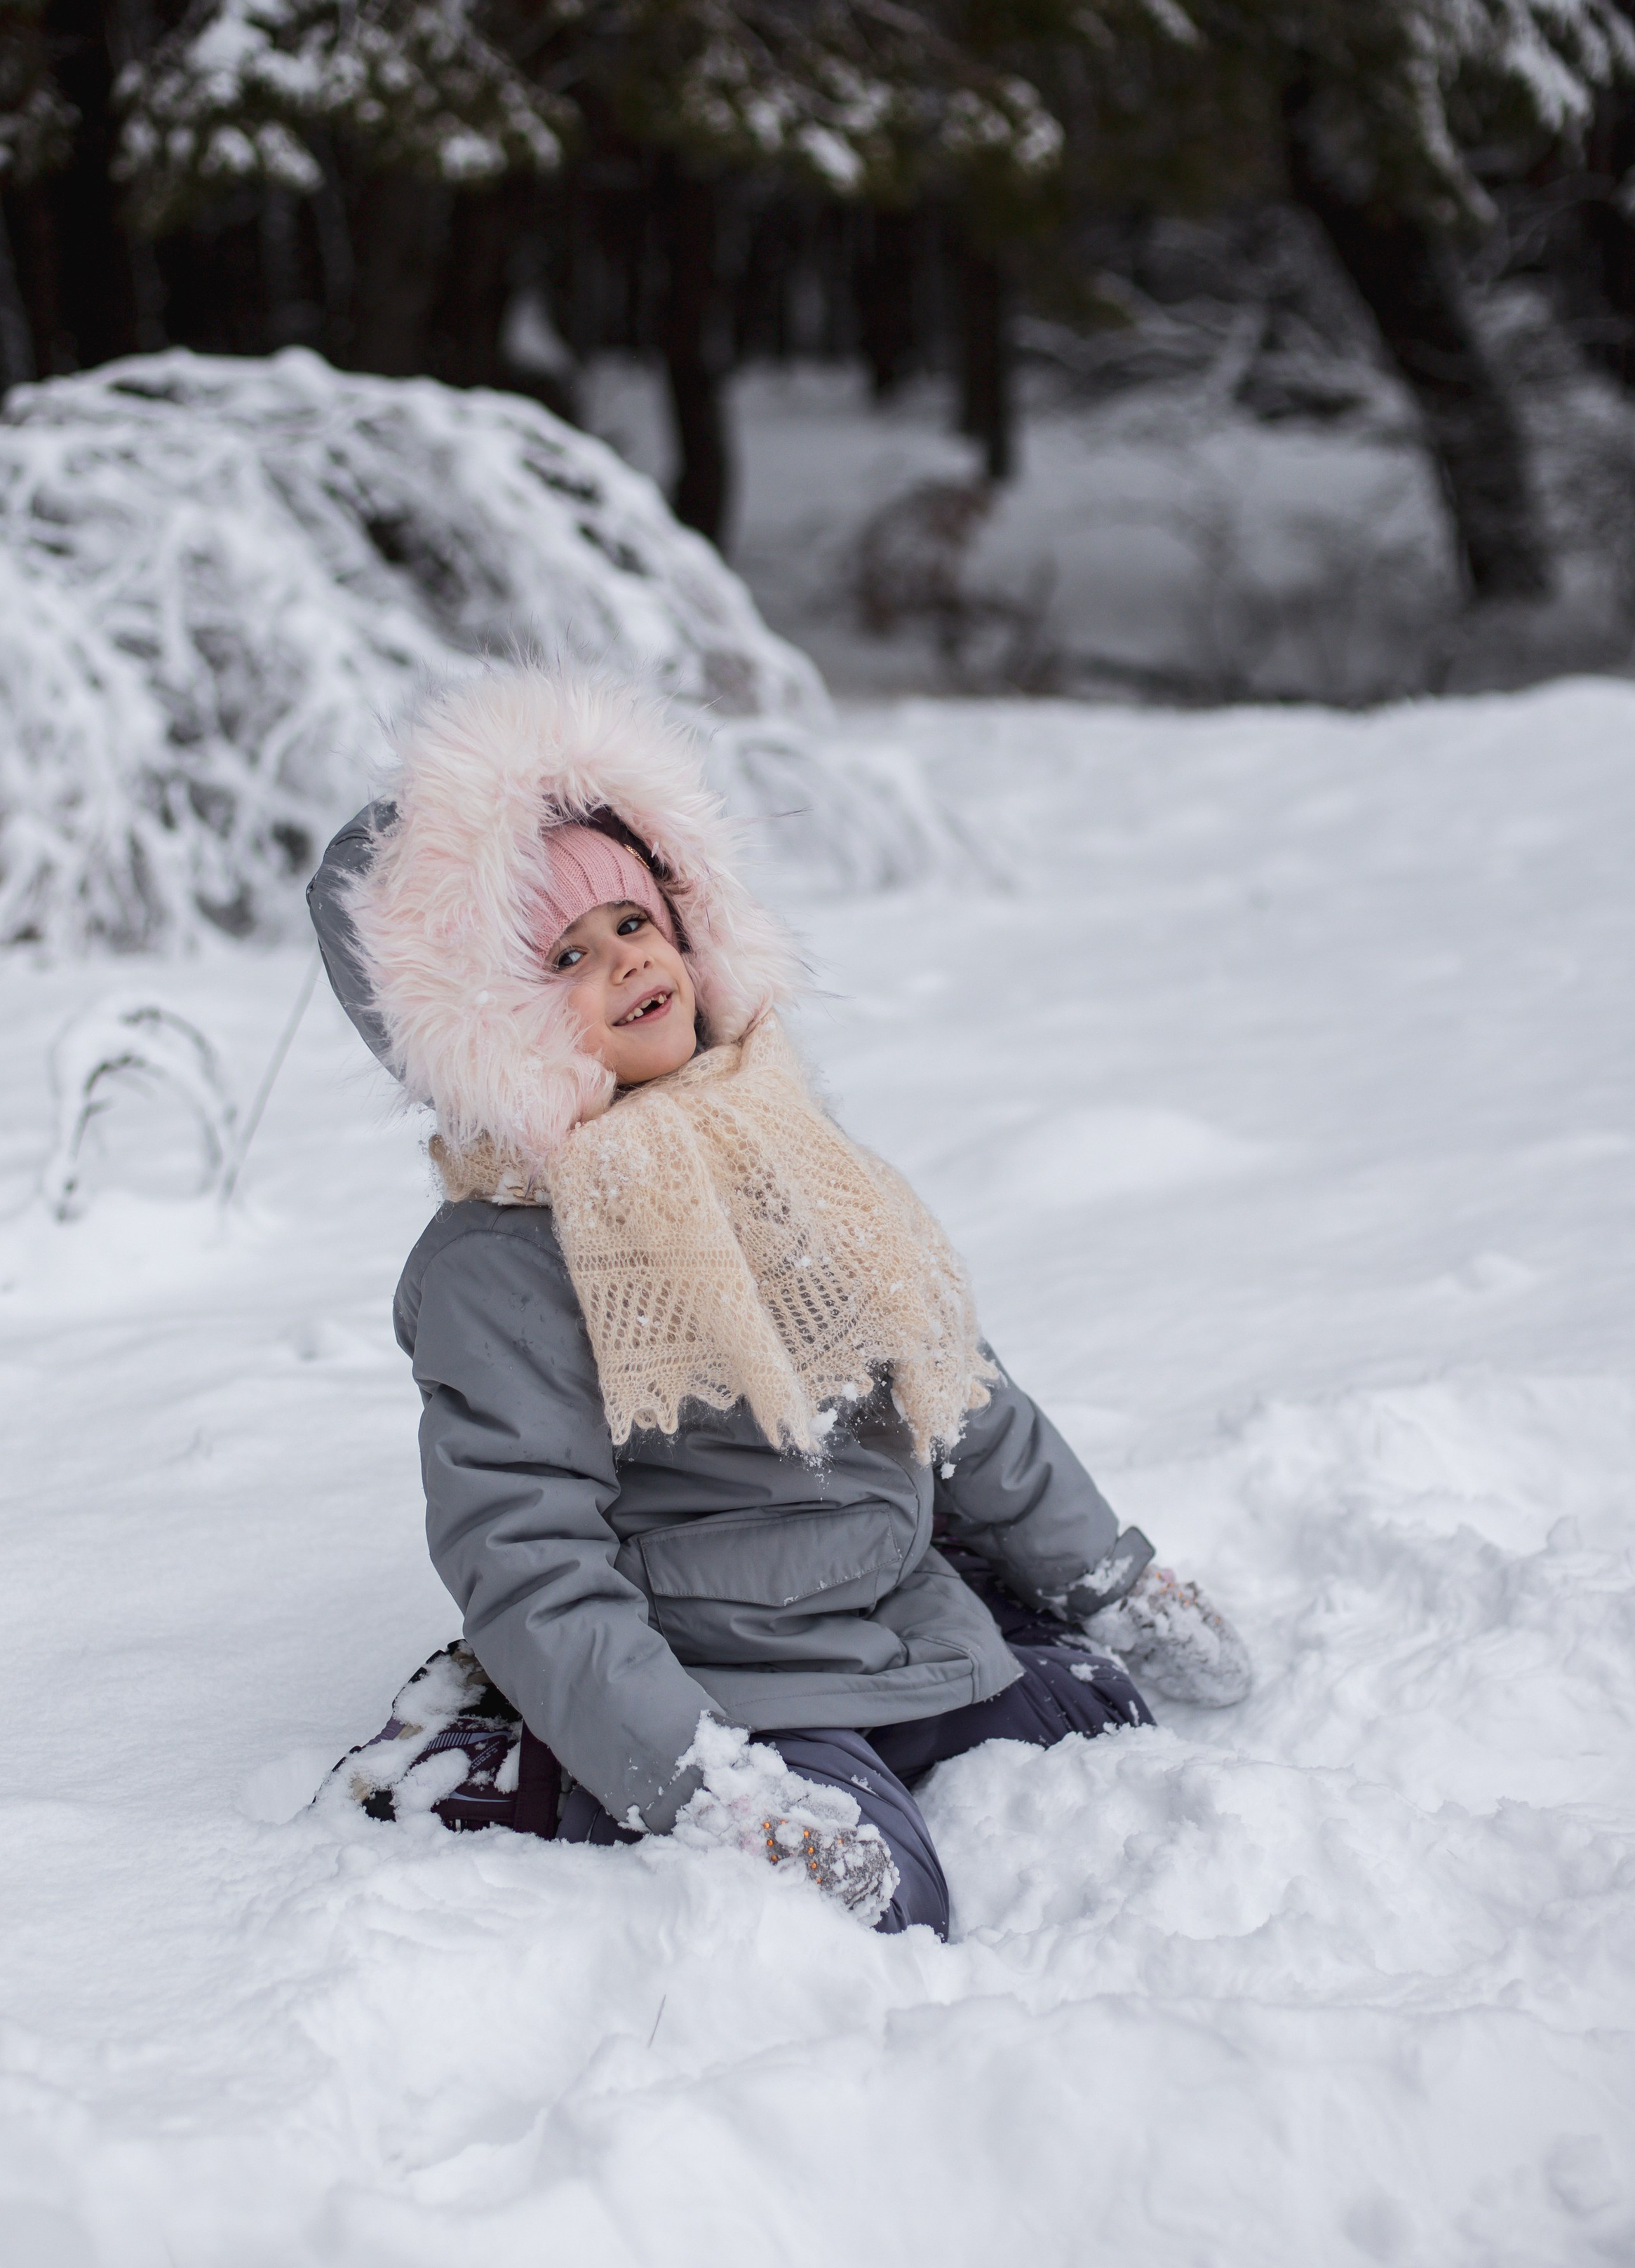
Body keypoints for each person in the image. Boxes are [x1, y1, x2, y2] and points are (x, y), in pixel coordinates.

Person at [308, 666, 1249, 1937]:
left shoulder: (774, 1139)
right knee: (879, 1900)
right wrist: (707, 1783)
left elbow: (949, 1383)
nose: (626, 963)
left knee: (1093, 1709)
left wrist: (1104, 1579)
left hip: (869, 1600)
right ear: (487, 1033)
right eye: (564, 960)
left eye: (634, 924)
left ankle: (953, 1656)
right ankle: (513, 1764)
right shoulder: (508, 1262)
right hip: (721, 1674)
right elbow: (530, 1560)